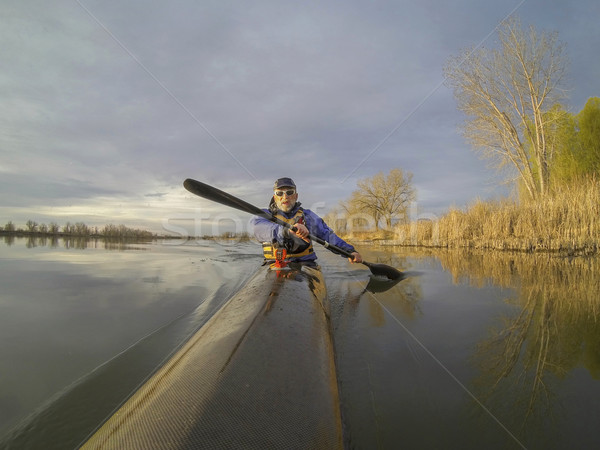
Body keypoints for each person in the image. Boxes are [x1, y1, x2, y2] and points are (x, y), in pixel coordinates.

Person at [252, 177, 363, 264]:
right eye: (280, 193)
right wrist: (286, 230)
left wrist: (350, 251)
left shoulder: (308, 216)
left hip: (305, 264)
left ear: (296, 196)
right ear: (275, 197)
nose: (285, 197)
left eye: (289, 192)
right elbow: (258, 230)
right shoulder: (264, 215)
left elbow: (328, 236)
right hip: (273, 264)